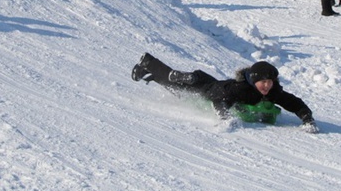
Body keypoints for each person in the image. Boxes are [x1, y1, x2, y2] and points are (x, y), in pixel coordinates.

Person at [131, 53, 319, 133]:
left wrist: (307, 117)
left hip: (215, 84)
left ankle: (149, 68)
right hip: (207, 91)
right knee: (180, 89)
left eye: (270, 82)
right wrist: (225, 116)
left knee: (185, 84)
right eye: (263, 82)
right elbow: (220, 100)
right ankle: (153, 66)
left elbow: (293, 102)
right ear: (254, 81)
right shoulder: (241, 88)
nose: (267, 86)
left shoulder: (272, 91)